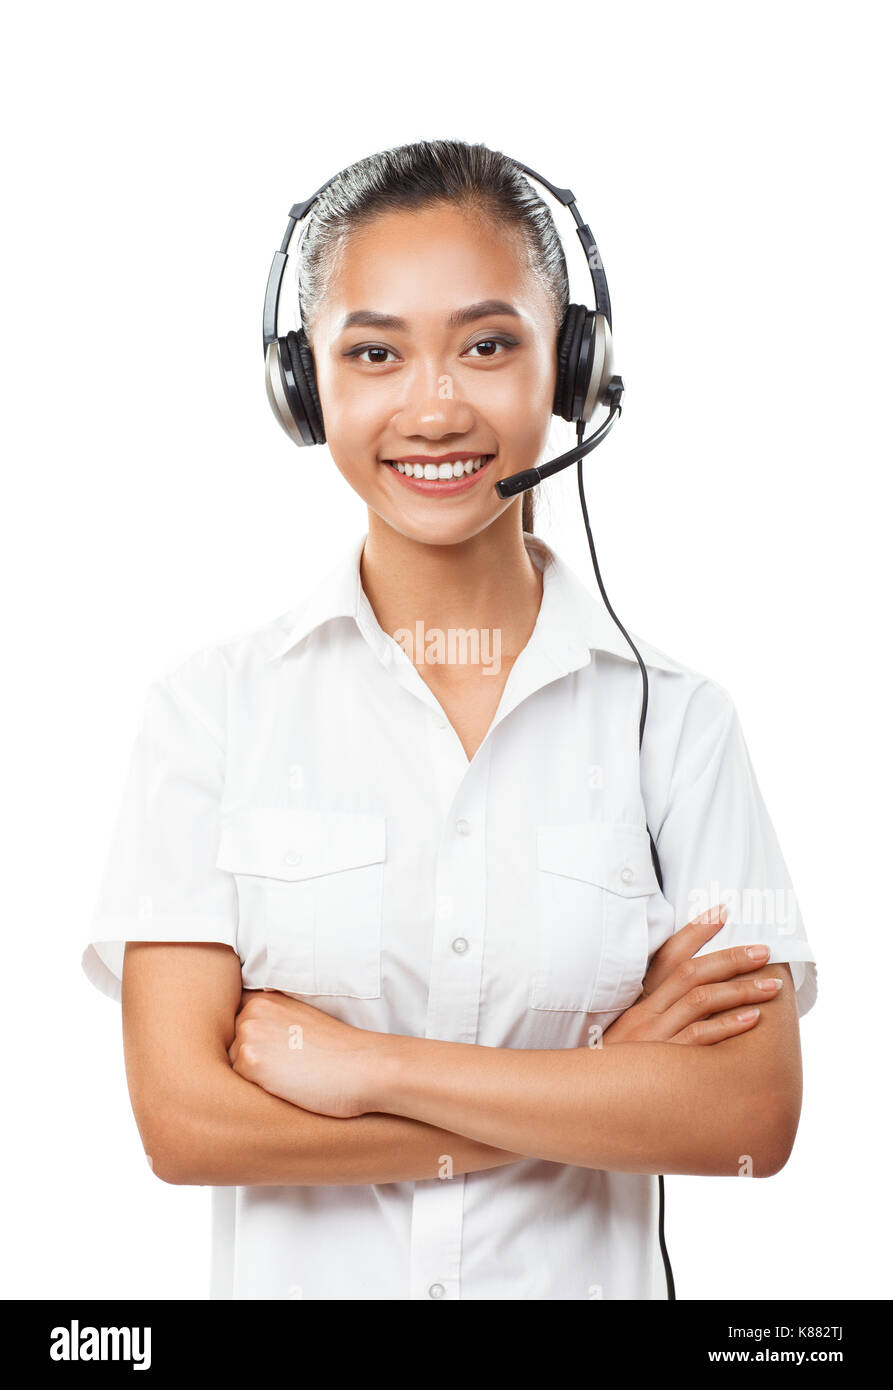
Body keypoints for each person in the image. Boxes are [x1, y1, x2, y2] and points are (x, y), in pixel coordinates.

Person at [83, 139, 817, 1301]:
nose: (433, 407)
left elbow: (746, 1114)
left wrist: (366, 1066)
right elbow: (187, 1126)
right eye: (373, 353)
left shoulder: (676, 725)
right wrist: (596, 1087)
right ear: (301, 383)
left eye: (486, 345)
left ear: (573, 370)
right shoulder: (209, 712)